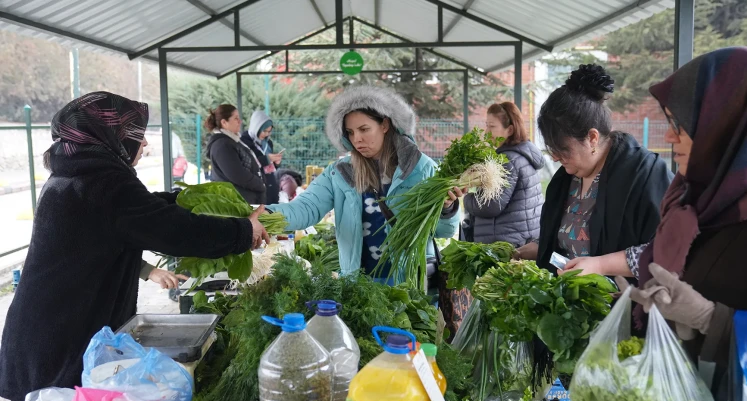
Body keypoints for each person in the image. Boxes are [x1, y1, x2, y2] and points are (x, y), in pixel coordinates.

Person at [0, 92, 270, 401]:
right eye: (135, 135)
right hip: (58, 346)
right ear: (110, 136)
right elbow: (170, 230)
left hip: (46, 336)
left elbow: (145, 209)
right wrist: (243, 231)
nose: (143, 144)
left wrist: (194, 202)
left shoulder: (79, 174)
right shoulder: (103, 183)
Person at [612, 47, 747, 401]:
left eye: (682, 125)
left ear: (730, 126)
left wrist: (709, 319)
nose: (669, 137)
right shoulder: (692, 194)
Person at [266, 85, 463, 284]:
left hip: (411, 286)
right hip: (360, 288)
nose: (357, 139)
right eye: (350, 132)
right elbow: (306, 208)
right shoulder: (340, 172)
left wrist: (447, 209)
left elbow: (443, 231)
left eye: (364, 129)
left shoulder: (420, 169)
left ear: (385, 125)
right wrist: (266, 215)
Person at [513, 64, 673, 280]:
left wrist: (601, 265)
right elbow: (565, 239)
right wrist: (535, 249)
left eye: (563, 150)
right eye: (552, 149)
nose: (555, 158)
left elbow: (668, 254)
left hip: (622, 308)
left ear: (592, 138)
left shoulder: (645, 175)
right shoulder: (565, 179)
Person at [464, 102, 544, 247]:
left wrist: (467, 198)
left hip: (506, 245)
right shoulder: (522, 155)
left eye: (492, 126)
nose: (486, 132)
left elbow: (489, 206)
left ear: (510, 130)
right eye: (486, 125)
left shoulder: (506, 161)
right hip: (520, 239)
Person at [206, 104, 266, 204]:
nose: (240, 121)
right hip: (236, 204)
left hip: (244, 201)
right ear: (224, 122)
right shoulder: (222, 145)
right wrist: (260, 184)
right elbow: (238, 175)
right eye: (236, 118)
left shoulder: (233, 141)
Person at [241, 110, 284, 204]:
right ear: (256, 127)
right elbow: (249, 163)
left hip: (270, 187)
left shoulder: (268, 143)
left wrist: (276, 163)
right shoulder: (244, 142)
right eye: (264, 131)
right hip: (254, 190)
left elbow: (269, 168)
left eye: (269, 131)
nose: (266, 134)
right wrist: (267, 159)